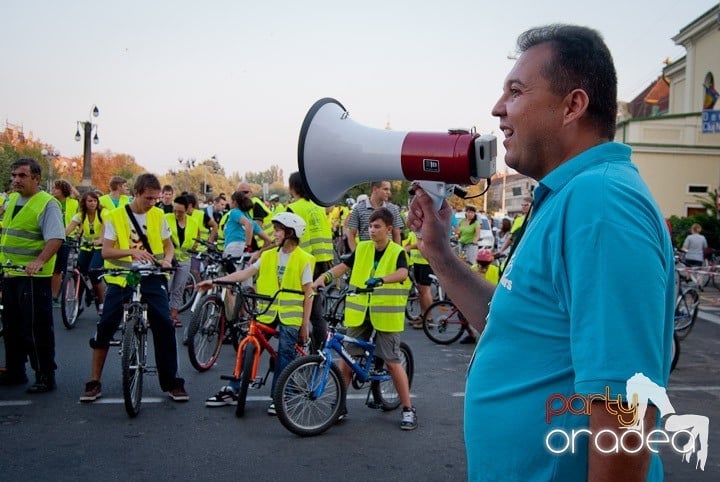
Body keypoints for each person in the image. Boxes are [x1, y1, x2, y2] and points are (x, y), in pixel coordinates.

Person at [407, 25, 674, 480]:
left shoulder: (601, 204)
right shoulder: (570, 196)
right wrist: (439, 254)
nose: (497, 108)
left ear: (572, 105)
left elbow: (625, 404)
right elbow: (513, 321)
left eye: (515, 91)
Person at [80, 173, 188, 403]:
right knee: (106, 324)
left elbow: (168, 246)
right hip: (122, 276)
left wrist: (168, 259)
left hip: (152, 275)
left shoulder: (159, 215)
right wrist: (131, 252)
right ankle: (94, 381)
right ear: (136, 193)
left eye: (156, 199)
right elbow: (107, 251)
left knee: (164, 324)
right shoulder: (114, 216)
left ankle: (172, 382)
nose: (153, 203)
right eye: (148, 198)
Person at [313, 208, 416, 430]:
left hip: (386, 313)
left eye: (376, 226)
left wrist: (380, 279)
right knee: (347, 359)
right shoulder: (363, 248)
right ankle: (339, 406)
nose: (371, 230)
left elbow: (402, 273)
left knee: (391, 361)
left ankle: (408, 409)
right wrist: (324, 277)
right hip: (360, 312)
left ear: (388, 229)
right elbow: (344, 266)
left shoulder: (397, 251)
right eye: (369, 226)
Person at [201, 212, 314, 413]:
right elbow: (245, 273)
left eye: (278, 230)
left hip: (291, 315)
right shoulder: (268, 256)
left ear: (290, 233)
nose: (274, 234)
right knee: (249, 349)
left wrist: (304, 324)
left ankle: (280, 396)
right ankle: (234, 387)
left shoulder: (304, 259)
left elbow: (308, 294)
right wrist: (216, 281)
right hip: (267, 311)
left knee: (286, 353)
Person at [0, 158, 64, 392]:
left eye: (22, 176)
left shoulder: (47, 204)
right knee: (11, 326)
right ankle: (15, 371)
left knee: (36, 328)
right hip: (10, 273)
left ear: (36, 178)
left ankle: (45, 374)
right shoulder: (12, 199)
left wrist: (39, 261)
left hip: (33, 278)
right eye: (14, 175)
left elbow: (56, 237)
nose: (16, 180)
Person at [286, 171, 334, 350]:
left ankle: (310, 348)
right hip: (323, 260)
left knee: (306, 307)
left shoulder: (294, 208)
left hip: (305, 261)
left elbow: (288, 238)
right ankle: (318, 346)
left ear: (293, 188)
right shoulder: (317, 206)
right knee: (315, 305)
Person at [64, 190, 106, 315]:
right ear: (84, 202)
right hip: (86, 247)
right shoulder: (81, 215)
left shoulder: (103, 213)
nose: (92, 203)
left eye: (95, 201)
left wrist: (101, 239)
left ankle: (101, 303)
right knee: (79, 273)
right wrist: (59, 237)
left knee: (93, 272)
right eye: (89, 201)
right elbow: (69, 228)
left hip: (100, 247)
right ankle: (78, 302)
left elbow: (105, 227)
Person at [165, 195, 199, 327]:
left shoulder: (193, 222)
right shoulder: (166, 218)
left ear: (187, 209)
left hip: (184, 259)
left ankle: (173, 316)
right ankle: (159, 315)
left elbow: (195, 239)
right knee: (165, 287)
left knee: (179, 288)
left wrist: (194, 248)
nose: (177, 214)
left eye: (180, 211)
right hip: (169, 259)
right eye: (175, 210)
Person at [346, 181, 404, 251]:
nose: (389, 192)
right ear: (375, 189)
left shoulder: (393, 208)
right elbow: (351, 235)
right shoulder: (358, 208)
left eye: (389, 189)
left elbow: (396, 234)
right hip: (366, 254)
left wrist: (396, 254)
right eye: (385, 189)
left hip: (387, 255)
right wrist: (356, 254)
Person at [50, 179, 79, 305]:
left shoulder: (73, 203)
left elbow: (79, 219)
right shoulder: (49, 201)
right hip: (50, 237)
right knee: (48, 267)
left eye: (56, 188)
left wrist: (77, 233)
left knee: (58, 269)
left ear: (63, 190)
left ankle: (55, 296)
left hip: (66, 239)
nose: (53, 190)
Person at [403, 230, 434, 330]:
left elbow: (423, 244)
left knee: (425, 291)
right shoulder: (415, 229)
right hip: (417, 262)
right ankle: (422, 315)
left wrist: (409, 247)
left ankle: (429, 319)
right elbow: (408, 241)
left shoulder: (425, 227)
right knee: (420, 291)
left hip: (426, 263)